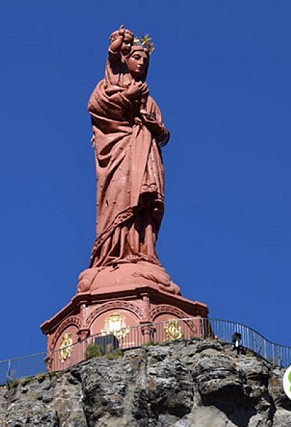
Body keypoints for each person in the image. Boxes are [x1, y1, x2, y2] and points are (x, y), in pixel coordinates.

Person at [88, 27, 171, 269]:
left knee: (145, 202)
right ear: (126, 58)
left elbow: (164, 133)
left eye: (145, 60)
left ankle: (143, 251)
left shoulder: (149, 99)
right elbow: (98, 108)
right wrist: (127, 97)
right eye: (136, 57)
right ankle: (113, 250)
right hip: (118, 152)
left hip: (145, 154)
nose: (141, 63)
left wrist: (153, 126)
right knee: (119, 196)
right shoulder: (111, 84)